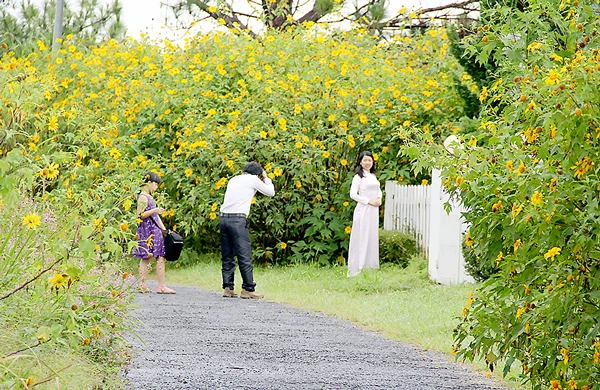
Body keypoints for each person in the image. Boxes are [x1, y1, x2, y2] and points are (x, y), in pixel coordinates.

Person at [220, 162, 275, 299]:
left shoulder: (234, 179)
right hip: (237, 220)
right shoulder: (253, 179)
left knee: (227, 255)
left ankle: (228, 287)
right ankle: (248, 288)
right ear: (258, 173)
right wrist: (266, 178)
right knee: (244, 254)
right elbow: (271, 192)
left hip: (223, 219)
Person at [132, 172, 176, 294]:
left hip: (154, 229)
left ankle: (161, 286)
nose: (156, 186)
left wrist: (164, 229)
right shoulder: (143, 197)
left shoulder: (149, 197)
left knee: (160, 256)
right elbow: (139, 215)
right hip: (146, 230)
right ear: (148, 183)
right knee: (146, 257)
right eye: (155, 183)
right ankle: (143, 284)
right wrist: (154, 210)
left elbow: (156, 217)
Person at [347, 151, 383, 277]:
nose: (368, 163)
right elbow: (353, 194)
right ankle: (358, 267)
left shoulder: (373, 176)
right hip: (363, 210)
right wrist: (369, 201)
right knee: (362, 236)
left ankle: (370, 267)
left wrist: (379, 199)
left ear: (372, 162)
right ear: (361, 162)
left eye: (370, 160)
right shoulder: (358, 177)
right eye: (365, 160)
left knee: (371, 236)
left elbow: (378, 190)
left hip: (373, 211)